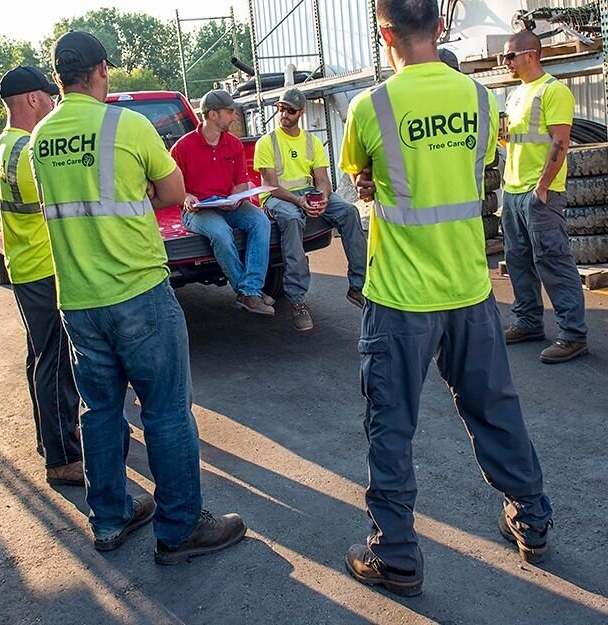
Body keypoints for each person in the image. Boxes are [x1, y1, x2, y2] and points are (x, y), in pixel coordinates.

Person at [339, 0, 553, 597]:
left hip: (400, 299)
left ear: (385, 35)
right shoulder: (482, 100)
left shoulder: (369, 107)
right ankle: (532, 520)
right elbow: (474, 166)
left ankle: (397, 555)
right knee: (496, 410)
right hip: (469, 292)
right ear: (440, 28)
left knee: (391, 426)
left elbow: (363, 177)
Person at [30, 30, 246, 563]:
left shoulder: (40, 138)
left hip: (78, 300)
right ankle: (180, 529)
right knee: (167, 411)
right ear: (101, 69)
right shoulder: (126, 126)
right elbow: (173, 193)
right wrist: (143, 188)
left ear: (58, 75)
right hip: (139, 292)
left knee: (99, 410)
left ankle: (109, 518)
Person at [0, 65, 83, 486]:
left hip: (25, 267)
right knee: (56, 363)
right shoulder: (28, 151)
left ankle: (49, 440)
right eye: (48, 97)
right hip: (45, 269)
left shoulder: (2, 145)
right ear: (32, 99)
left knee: (39, 358)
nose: (53, 102)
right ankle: (63, 458)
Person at [499, 30, 589, 363]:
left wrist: (543, 186)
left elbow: (560, 143)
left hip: (540, 193)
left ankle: (573, 335)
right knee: (519, 259)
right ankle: (528, 322)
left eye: (510, 56)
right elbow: (513, 141)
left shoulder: (554, 91)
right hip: (513, 190)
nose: (505, 62)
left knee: (552, 260)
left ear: (531, 55)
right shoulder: (515, 95)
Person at [254, 86, 367, 331]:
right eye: (281, 109)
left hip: (306, 192)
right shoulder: (267, 142)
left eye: (290, 111)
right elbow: (271, 186)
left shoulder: (311, 142)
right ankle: (297, 301)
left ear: (301, 113)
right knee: (293, 220)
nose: (284, 114)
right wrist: (299, 202)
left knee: (349, 212)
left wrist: (324, 197)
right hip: (277, 198)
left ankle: (358, 286)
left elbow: (322, 180)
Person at [171, 89, 274, 316]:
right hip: (197, 210)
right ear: (213, 115)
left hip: (229, 205)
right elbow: (173, 187)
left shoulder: (234, 145)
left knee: (260, 221)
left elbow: (240, 182)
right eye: (230, 112)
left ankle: (250, 289)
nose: (235, 116)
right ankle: (249, 292)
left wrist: (236, 198)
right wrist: (186, 197)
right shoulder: (182, 147)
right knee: (221, 233)